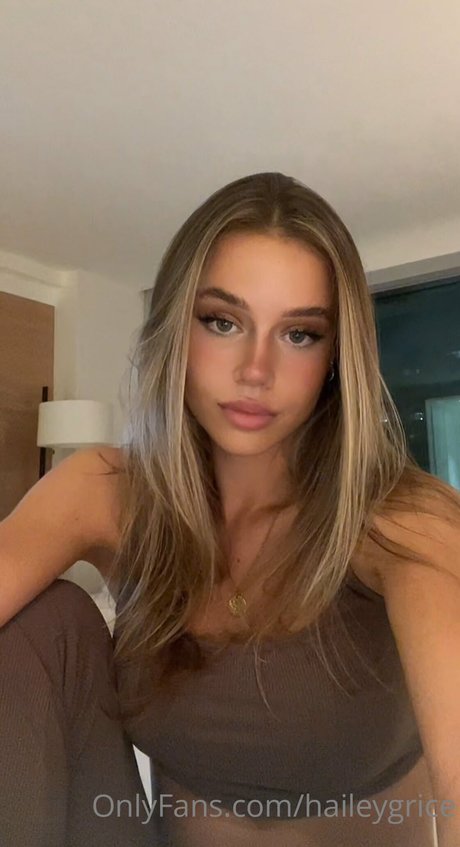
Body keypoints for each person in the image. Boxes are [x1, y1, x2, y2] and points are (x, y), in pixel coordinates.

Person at [1, 172, 459, 847]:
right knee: (46, 621)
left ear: (337, 357)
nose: (255, 370)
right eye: (223, 321)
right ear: (175, 332)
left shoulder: (405, 521)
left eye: (299, 334)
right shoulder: (107, 490)